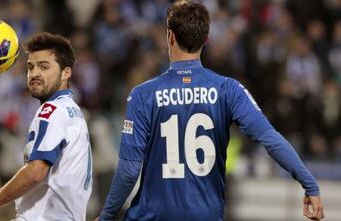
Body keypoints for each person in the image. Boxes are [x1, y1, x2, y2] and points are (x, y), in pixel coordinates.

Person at [96, 1, 324, 221]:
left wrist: (106, 216)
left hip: (153, 215)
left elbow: (129, 171)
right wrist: (310, 185)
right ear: (205, 39)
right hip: (206, 215)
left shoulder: (143, 94)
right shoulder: (229, 90)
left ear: (170, 37)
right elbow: (270, 139)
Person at [0, 32, 93, 221]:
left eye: (44, 67)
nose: (35, 73)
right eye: (30, 67)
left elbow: (35, 172)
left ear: (66, 73)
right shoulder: (73, 111)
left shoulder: (53, 111)